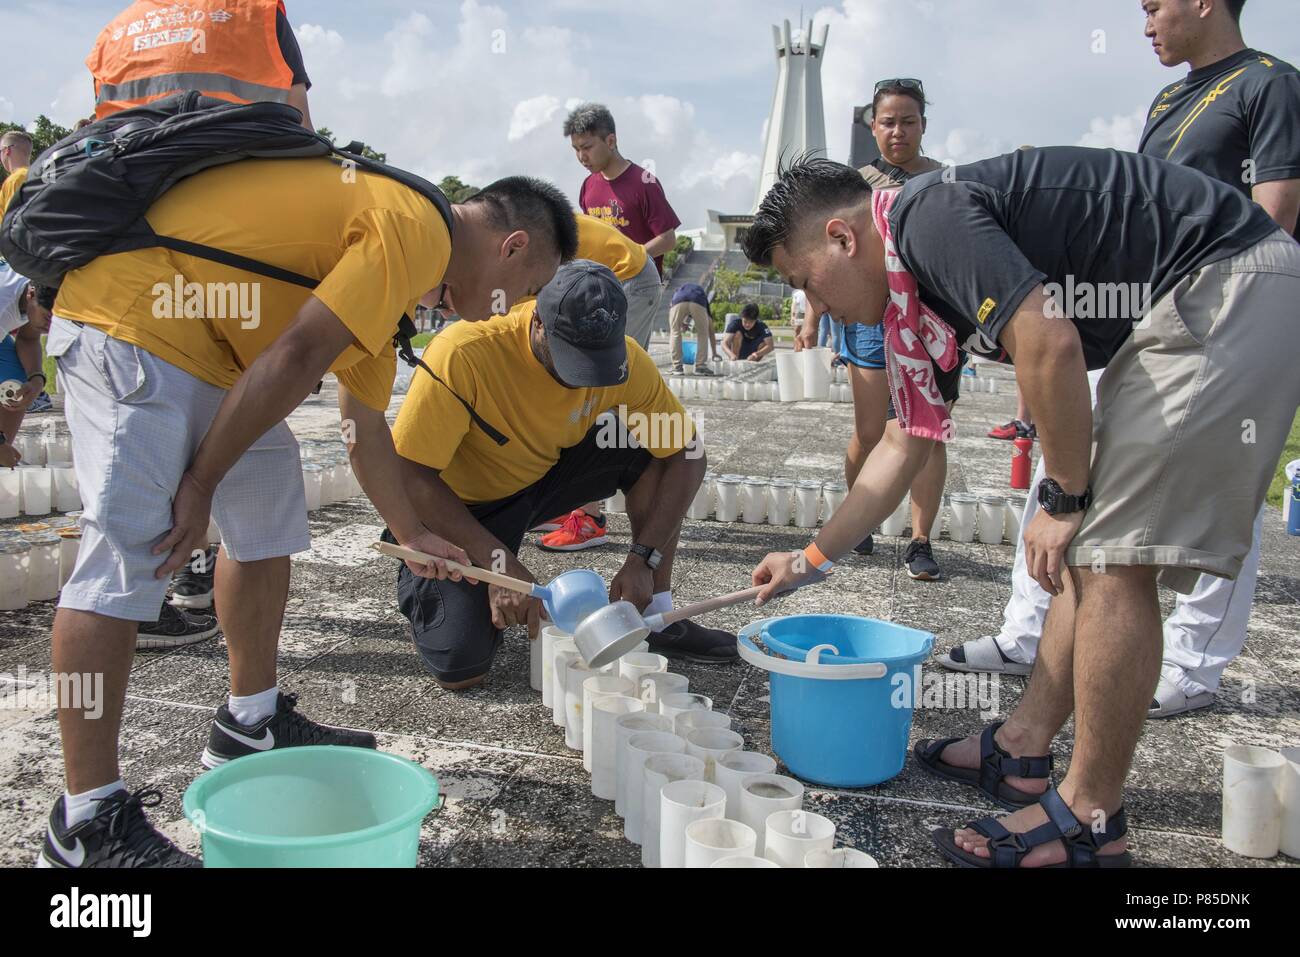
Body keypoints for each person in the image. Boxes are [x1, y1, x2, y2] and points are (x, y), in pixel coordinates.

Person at [744, 150, 1299, 868]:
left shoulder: (926, 218)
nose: (813, 306)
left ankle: (1089, 821)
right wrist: (809, 560)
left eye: (806, 281)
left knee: (1110, 559)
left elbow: (1048, 339)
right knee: (1091, 556)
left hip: (1225, 285)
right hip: (1188, 298)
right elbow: (902, 442)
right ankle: (1022, 748)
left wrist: (1064, 496)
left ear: (844, 238)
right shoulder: (910, 306)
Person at [36, 157, 576, 868]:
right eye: (525, 291)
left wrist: (412, 532)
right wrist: (199, 479)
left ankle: (249, 720)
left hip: (221, 353)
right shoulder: (416, 227)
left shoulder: (403, 288)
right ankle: (86, 820)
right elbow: (297, 353)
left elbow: (362, 426)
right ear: (512, 248)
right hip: (133, 316)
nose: (499, 311)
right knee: (131, 551)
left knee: (266, 518)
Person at [945, 0, 1300, 719]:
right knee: (1064, 465)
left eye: (1154, 7)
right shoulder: (1170, 96)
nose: (1145, 23)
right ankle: (1029, 631)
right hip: (1142, 309)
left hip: (1222, 308)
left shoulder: (1270, 84)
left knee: (1220, 484)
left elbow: (1277, 210)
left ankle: (1196, 662)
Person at [388, 260, 736, 689]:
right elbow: (409, 476)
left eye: (597, 364)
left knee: (644, 450)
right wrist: (499, 565)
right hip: (456, 510)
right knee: (463, 665)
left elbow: (688, 454)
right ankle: (440, 589)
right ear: (537, 322)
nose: (582, 381)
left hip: (539, 478)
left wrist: (646, 557)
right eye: (572, 361)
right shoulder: (465, 354)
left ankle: (655, 612)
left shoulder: (627, 362)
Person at [828, 78, 952, 577]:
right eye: (887, 122)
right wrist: (819, 310)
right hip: (870, 319)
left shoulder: (946, 180)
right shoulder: (853, 184)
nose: (898, 131)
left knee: (929, 433)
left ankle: (920, 540)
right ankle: (859, 522)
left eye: (908, 121)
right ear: (872, 126)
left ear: (923, 125)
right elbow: (833, 256)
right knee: (870, 430)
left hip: (931, 318)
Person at [537, 213, 679, 551]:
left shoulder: (511, 252)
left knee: (596, 386)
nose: (583, 156)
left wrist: (647, 557)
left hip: (627, 279)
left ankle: (590, 517)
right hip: (596, 280)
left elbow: (688, 452)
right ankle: (563, 501)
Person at [86, 0, 315, 129]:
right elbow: (303, 126)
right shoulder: (259, 12)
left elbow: (103, 126)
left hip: (131, 189)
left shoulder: (111, 35)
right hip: (247, 176)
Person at [565, 102, 678, 342]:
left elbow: (668, 239)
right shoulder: (589, 186)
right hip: (602, 285)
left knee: (623, 359)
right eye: (575, 149)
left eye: (587, 147)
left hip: (637, 282)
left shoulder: (642, 182)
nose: (581, 157)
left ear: (611, 141)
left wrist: (628, 257)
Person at [0, 267, 53, 468]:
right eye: (48, 318)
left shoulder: (39, 286)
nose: (50, 327)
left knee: (16, 386)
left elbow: (28, 338)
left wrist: (36, 378)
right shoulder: (3, 303)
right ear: (31, 295)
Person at [666, 281, 718, 376]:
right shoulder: (702, 297)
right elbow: (711, 331)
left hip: (678, 300)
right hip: (697, 301)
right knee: (703, 333)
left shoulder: (679, 291)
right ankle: (700, 367)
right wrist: (714, 353)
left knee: (675, 332)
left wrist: (680, 323)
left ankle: (677, 367)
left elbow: (673, 307)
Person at [789, 287, 808, 352]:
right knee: (797, 331)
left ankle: (803, 348)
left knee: (806, 332)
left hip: (807, 313)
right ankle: (796, 349)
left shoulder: (808, 290)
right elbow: (793, 305)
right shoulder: (796, 293)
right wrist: (792, 316)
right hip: (799, 313)